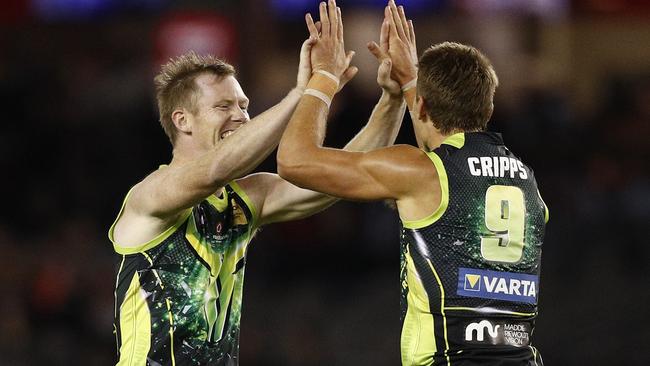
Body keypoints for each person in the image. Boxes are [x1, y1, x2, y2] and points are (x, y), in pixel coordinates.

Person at [107, 11, 408, 365]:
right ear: (182, 120)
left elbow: (340, 178)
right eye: (223, 106)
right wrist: (305, 91)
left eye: (244, 106)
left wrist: (393, 99)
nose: (240, 116)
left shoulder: (246, 198)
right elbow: (217, 169)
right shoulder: (150, 196)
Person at [277, 1, 549, 365]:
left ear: (420, 108)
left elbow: (292, 161)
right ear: (486, 106)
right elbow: (441, 141)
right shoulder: (527, 181)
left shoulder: (420, 171)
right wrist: (409, 82)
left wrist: (323, 79)